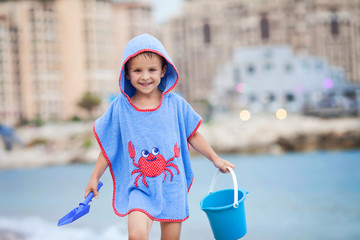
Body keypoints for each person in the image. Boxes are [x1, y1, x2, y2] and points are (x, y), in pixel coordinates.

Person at [85, 33, 235, 240]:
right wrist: (95, 177)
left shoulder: (176, 104)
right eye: (137, 70)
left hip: (172, 185)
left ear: (164, 71)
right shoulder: (121, 106)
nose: (145, 77)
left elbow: (193, 135)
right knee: (136, 236)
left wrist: (215, 159)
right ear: (126, 73)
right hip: (139, 187)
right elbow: (110, 145)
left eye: (152, 70)